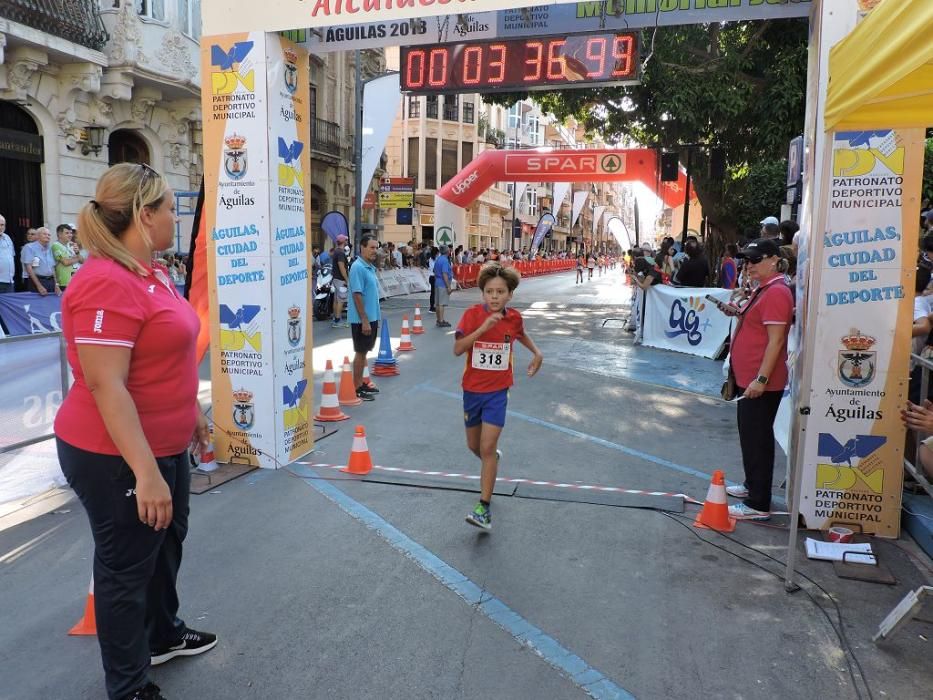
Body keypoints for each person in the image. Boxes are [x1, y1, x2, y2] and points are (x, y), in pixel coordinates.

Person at [54, 163, 215, 700]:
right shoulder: (105, 280)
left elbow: (166, 358)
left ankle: (163, 634)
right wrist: (146, 473)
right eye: (170, 207)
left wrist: (191, 413)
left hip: (164, 445)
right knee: (125, 569)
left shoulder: (154, 272)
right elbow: (107, 387)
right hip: (114, 455)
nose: (176, 215)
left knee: (166, 543)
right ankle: (128, 688)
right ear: (145, 216)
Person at [454, 263, 543, 530]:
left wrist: (537, 353)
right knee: (475, 446)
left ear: (510, 295)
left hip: (497, 392)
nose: (494, 296)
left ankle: (484, 508)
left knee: (488, 447)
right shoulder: (471, 316)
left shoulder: (514, 318)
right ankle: (491, 463)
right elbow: (458, 349)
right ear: (482, 294)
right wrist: (482, 329)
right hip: (472, 391)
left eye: (500, 292)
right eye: (489, 292)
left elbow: (521, 333)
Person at [725, 238, 794, 521]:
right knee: (750, 435)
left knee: (757, 438)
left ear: (773, 260)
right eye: (746, 260)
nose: (748, 265)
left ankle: (758, 503)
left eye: (755, 260)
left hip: (760, 381)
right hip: (749, 377)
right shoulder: (764, 289)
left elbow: (776, 341)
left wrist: (762, 379)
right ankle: (752, 486)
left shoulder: (777, 292)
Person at [348, 233, 381, 401]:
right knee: (360, 352)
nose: (375, 250)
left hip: (371, 317)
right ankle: (357, 388)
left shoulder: (368, 266)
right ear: (362, 248)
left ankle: (361, 383)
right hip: (362, 320)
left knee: (364, 351)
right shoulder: (358, 267)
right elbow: (357, 294)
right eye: (372, 247)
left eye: (376, 247)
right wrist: (365, 320)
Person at [21, 226, 60, 295]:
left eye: (49, 235)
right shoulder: (29, 247)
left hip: (51, 281)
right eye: (44, 234)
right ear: (38, 236)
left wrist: (56, 284)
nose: (47, 236)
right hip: (38, 281)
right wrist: (39, 286)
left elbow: (52, 268)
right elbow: (29, 268)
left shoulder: (49, 249)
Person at [52, 223, 82, 290]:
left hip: (76, 281)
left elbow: (83, 261)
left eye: (71, 233)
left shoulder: (71, 244)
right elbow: (66, 262)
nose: (70, 235)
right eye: (67, 233)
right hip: (65, 282)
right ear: (59, 234)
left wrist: (77, 253)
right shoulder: (56, 246)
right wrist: (77, 258)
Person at [331, 234, 350, 328]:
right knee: (341, 300)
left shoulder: (336, 251)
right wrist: (347, 279)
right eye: (346, 240)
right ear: (343, 241)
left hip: (335, 278)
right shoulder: (341, 253)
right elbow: (342, 267)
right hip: (340, 279)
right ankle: (337, 321)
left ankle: (335, 318)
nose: (347, 242)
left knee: (336, 299)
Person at [433, 243, 454, 328]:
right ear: (447, 251)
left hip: (437, 282)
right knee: (441, 303)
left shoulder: (438, 259)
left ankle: (438, 319)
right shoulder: (445, 260)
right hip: (442, 283)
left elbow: (434, 271)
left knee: (438, 303)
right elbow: (445, 274)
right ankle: (441, 321)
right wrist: (448, 286)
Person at [0, 214, 14, 293]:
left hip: (9, 281)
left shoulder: (7, 238)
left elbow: (11, 256)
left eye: (2, 225)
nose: (1, 227)